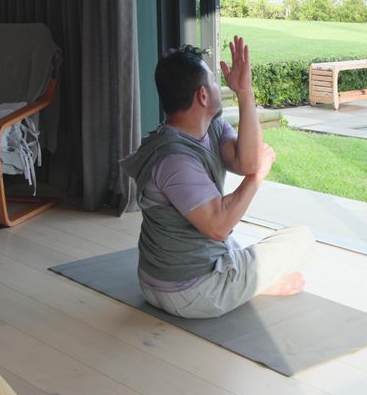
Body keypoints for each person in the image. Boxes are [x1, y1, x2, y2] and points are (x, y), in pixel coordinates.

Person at [120, 36, 314, 319]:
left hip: (164, 279)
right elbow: (219, 227)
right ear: (201, 95)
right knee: (302, 238)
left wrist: (245, 93)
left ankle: (245, 281)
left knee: (241, 243)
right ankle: (251, 285)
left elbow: (247, 162)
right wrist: (258, 177)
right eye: (213, 81)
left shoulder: (211, 128)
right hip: (189, 291)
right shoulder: (174, 159)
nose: (219, 86)